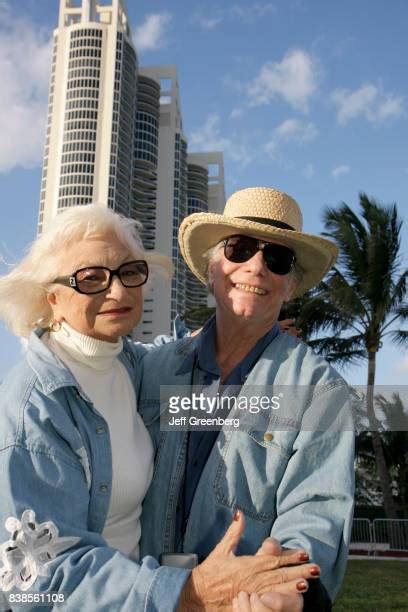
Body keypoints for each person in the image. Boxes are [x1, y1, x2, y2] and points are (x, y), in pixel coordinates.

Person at [0, 204, 319, 611]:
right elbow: (36, 584)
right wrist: (187, 592)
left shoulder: (133, 365)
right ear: (52, 297)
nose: (116, 291)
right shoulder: (35, 406)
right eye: (90, 279)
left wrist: (234, 328)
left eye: (128, 272)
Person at [138, 187, 356, 611]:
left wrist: (282, 588)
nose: (256, 267)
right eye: (239, 249)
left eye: (277, 259)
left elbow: (317, 511)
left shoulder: (320, 390)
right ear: (213, 266)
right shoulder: (150, 367)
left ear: (291, 285)